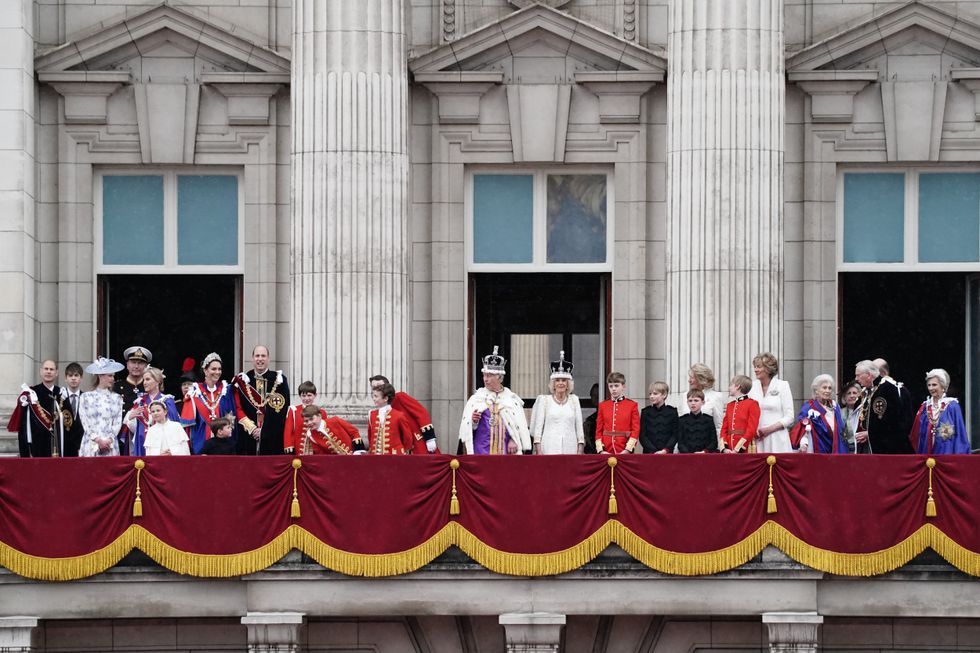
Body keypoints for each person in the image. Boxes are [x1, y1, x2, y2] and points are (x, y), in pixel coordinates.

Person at [458, 346, 531, 455]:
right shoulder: (477, 398)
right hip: (481, 450)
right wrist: (473, 421)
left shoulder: (511, 400)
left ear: (499, 377)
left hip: (505, 451)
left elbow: (517, 425)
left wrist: (513, 439)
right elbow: (467, 431)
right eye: (484, 375)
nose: (485, 379)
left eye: (489, 376)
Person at [233, 344, 291, 455]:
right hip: (248, 437)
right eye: (257, 356)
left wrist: (264, 432)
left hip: (272, 438)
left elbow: (283, 411)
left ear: (268, 359)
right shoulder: (244, 380)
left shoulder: (279, 380)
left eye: (263, 356)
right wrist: (252, 429)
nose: (260, 359)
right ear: (252, 358)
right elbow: (238, 408)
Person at [181, 353, 240, 455]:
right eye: (214, 369)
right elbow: (187, 427)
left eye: (219, 369)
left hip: (223, 448)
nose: (217, 372)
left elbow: (233, 418)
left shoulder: (226, 391)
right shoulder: (195, 392)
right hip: (200, 446)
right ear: (205, 370)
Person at [7, 359, 66, 458]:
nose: (48, 372)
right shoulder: (31, 394)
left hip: (59, 448)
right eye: (46, 369)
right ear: (41, 371)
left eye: (51, 369)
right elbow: (24, 426)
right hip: (37, 448)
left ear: (56, 373)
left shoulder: (62, 394)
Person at [529, 351, 585, 454]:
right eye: (557, 380)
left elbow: (579, 429)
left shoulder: (574, 400)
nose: (560, 383)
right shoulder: (545, 401)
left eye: (563, 380)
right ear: (553, 384)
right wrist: (539, 452)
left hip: (570, 449)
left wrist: (580, 450)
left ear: (568, 384)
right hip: (548, 449)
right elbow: (538, 431)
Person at [369, 374, 440, 454]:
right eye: (373, 387)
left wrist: (430, 437)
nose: (376, 388)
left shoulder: (400, 397)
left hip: (416, 441)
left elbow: (421, 413)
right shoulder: (379, 408)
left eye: (379, 386)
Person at [854, 359, 912, 454]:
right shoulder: (865, 392)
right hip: (867, 446)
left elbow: (895, 422)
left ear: (868, 375)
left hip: (887, 449)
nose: (856, 379)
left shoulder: (889, 389)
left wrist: (870, 434)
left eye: (858, 375)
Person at [909, 368, 970, 455]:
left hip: (946, 455)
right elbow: (916, 435)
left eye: (934, 385)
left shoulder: (952, 406)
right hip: (926, 455)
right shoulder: (924, 407)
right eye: (929, 385)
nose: (931, 388)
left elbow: (960, 435)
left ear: (943, 386)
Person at [123, 367, 180, 457]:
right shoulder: (140, 401)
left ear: (157, 381)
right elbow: (133, 428)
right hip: (142, 442)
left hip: (162, 443)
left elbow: (174, 426)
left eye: (148, 379)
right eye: (144, 380)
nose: (144, 383)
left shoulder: (167, 400)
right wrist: (131, 417)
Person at [790, 374, 849, 454]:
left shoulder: (835, 406)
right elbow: (802, 428)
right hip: (817, 449)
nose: (827, 391)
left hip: (835, 448)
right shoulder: (809, 407)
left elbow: (841, 429)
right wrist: (804, 443)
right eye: (824, 388)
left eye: (830, 388)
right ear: (816, 390)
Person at [749, 353, 795, 453]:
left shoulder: (782, 385)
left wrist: (769, 429)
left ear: (768, 368)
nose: (755, 370)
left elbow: (790, 417)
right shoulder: (752, 387)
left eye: (759, 367)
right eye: (755, 367)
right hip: (758, 439)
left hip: (777, 438)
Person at [78, 357, 125, 457]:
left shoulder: (117, 398)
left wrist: (109, 440)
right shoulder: (85, 397)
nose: (113, 379)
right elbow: (85, 421)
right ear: (100, 376)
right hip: (91, 443)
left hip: (110, 444)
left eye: (113, 376)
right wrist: (97, 439)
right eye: (110, 376)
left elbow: (117, 422)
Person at [114, 346, 151, 454]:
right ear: (127, 365)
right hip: (122, 437)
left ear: (146, 366)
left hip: (145, 437)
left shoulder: (150, 386)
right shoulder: (116, 387)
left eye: (140, 363)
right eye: (133, 362)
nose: (136, 366)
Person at [594, 372, 640, 454]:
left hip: (624, 448)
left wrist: (628, 449)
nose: (613, 389)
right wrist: (601, 450)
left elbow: (635, 430)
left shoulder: (632, 405)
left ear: (623, 386)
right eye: (611, 386)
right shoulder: (603, 405)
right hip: (606, 449)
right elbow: (599, 430)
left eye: (616, 386)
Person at [678, 363, 725, 436]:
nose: (689, 380)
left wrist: (719, 442)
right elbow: (680, 424)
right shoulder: (684, 396)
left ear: (701, 379)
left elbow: (718, 426)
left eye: (692, 377)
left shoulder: (716, 397)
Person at [874, 357, 915, 439]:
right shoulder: (872, 390)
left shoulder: (897, 390)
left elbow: (905, 419)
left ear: (882, 372)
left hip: (891, 438)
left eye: (872, 370)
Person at [368, 383, 414, 455]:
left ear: (385, 399)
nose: (374, 399)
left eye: (376, 396)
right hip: (375, 456)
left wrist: (403, 452)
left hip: (394, 456)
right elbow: (370, 435)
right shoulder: (372, 414)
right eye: (373, 396)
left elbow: (408, 437)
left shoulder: (399, 415)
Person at [299, 404, 364, 455]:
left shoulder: (335, 421)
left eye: (311, 419)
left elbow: (354, 432)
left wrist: (357, 451)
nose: (309, 423)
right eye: (306, 421)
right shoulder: (311, 436)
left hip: (354, 455)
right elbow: (321, 454)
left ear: (319, 416)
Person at [719, 375, 760, 453]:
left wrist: (738, 448)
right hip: (729, 448)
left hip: (745, 449)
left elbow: (751, 429)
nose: (729, 388)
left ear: (738, 386)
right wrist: (724, 448)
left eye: (731, 385)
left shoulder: (752, 404)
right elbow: (724, 428)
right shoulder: (730, 405)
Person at [639, 381, 678, 454]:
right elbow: (642, 436)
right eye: (650, 394)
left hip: (667, 453)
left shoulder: (672, 412)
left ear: (664, 395)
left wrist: (666, 450)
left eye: (655, 393)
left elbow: (675, 435)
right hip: (649, 453)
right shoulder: (645, 412)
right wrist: (653, 451)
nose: (651, 396)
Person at [63, 362, 85, 457]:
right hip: (64, 446)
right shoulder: (60, 398)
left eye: (76, 375)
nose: (73, 378)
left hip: (81, 446)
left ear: (81, 378)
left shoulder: (86, 398)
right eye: (70, 375)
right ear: (65, 378)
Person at [839, 381, 863, 453]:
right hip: (845, 449)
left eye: (854, 393)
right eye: (849, 393)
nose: (852, 396)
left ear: (860, 395)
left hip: (861, 449)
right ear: (844, 397)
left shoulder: (864, 411)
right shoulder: (840, 413)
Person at [582, 383, 600, 454]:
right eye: (594, 395)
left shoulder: (610, 417)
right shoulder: (589, 421)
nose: (596, 398)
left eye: (598, 395)